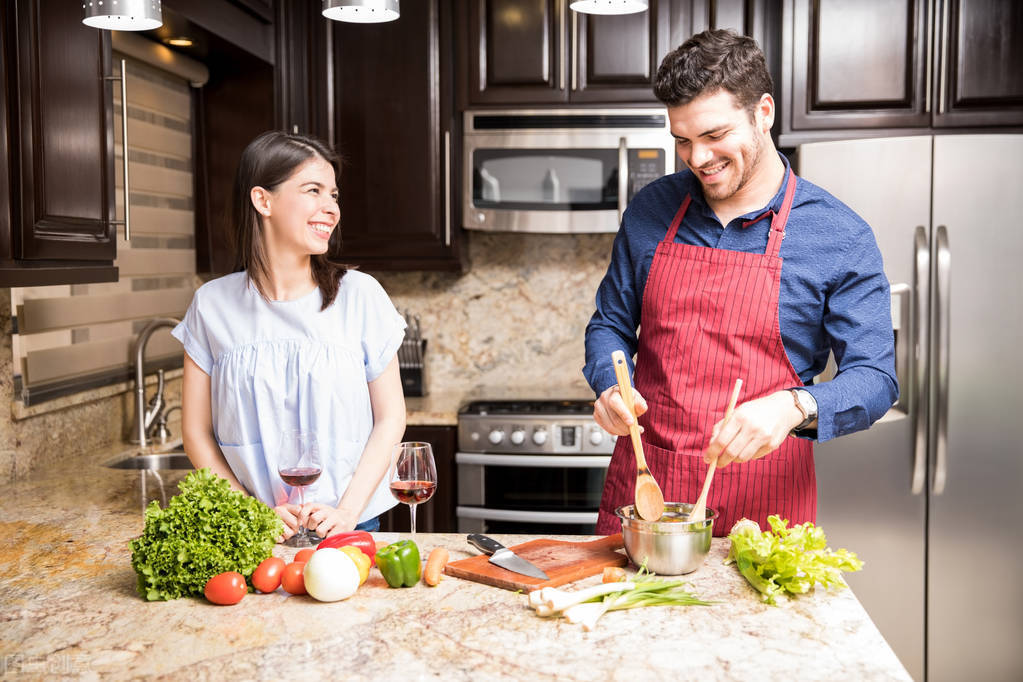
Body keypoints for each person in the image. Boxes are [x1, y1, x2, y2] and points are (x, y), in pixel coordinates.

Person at [583, 29, 898, 536]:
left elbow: (876, 378)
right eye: (682, 140)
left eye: (714, 135)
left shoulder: (839, 235)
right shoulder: (651, 209)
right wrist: (608, 384)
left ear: (763, 112)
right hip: (649, 491)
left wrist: (795, 405)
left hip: (767, 505)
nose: (697, 158)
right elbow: (610, 326)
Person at [172, 130, 407, 541]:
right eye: (313, 190)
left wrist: (346, 512)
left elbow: (391, 418)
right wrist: (250, 514)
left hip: (349, 526)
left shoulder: (361, 295)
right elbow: (196, 433)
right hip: (258, 532)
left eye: (333, 195)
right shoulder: (211, 305)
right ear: (263, 201)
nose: (331, 208)